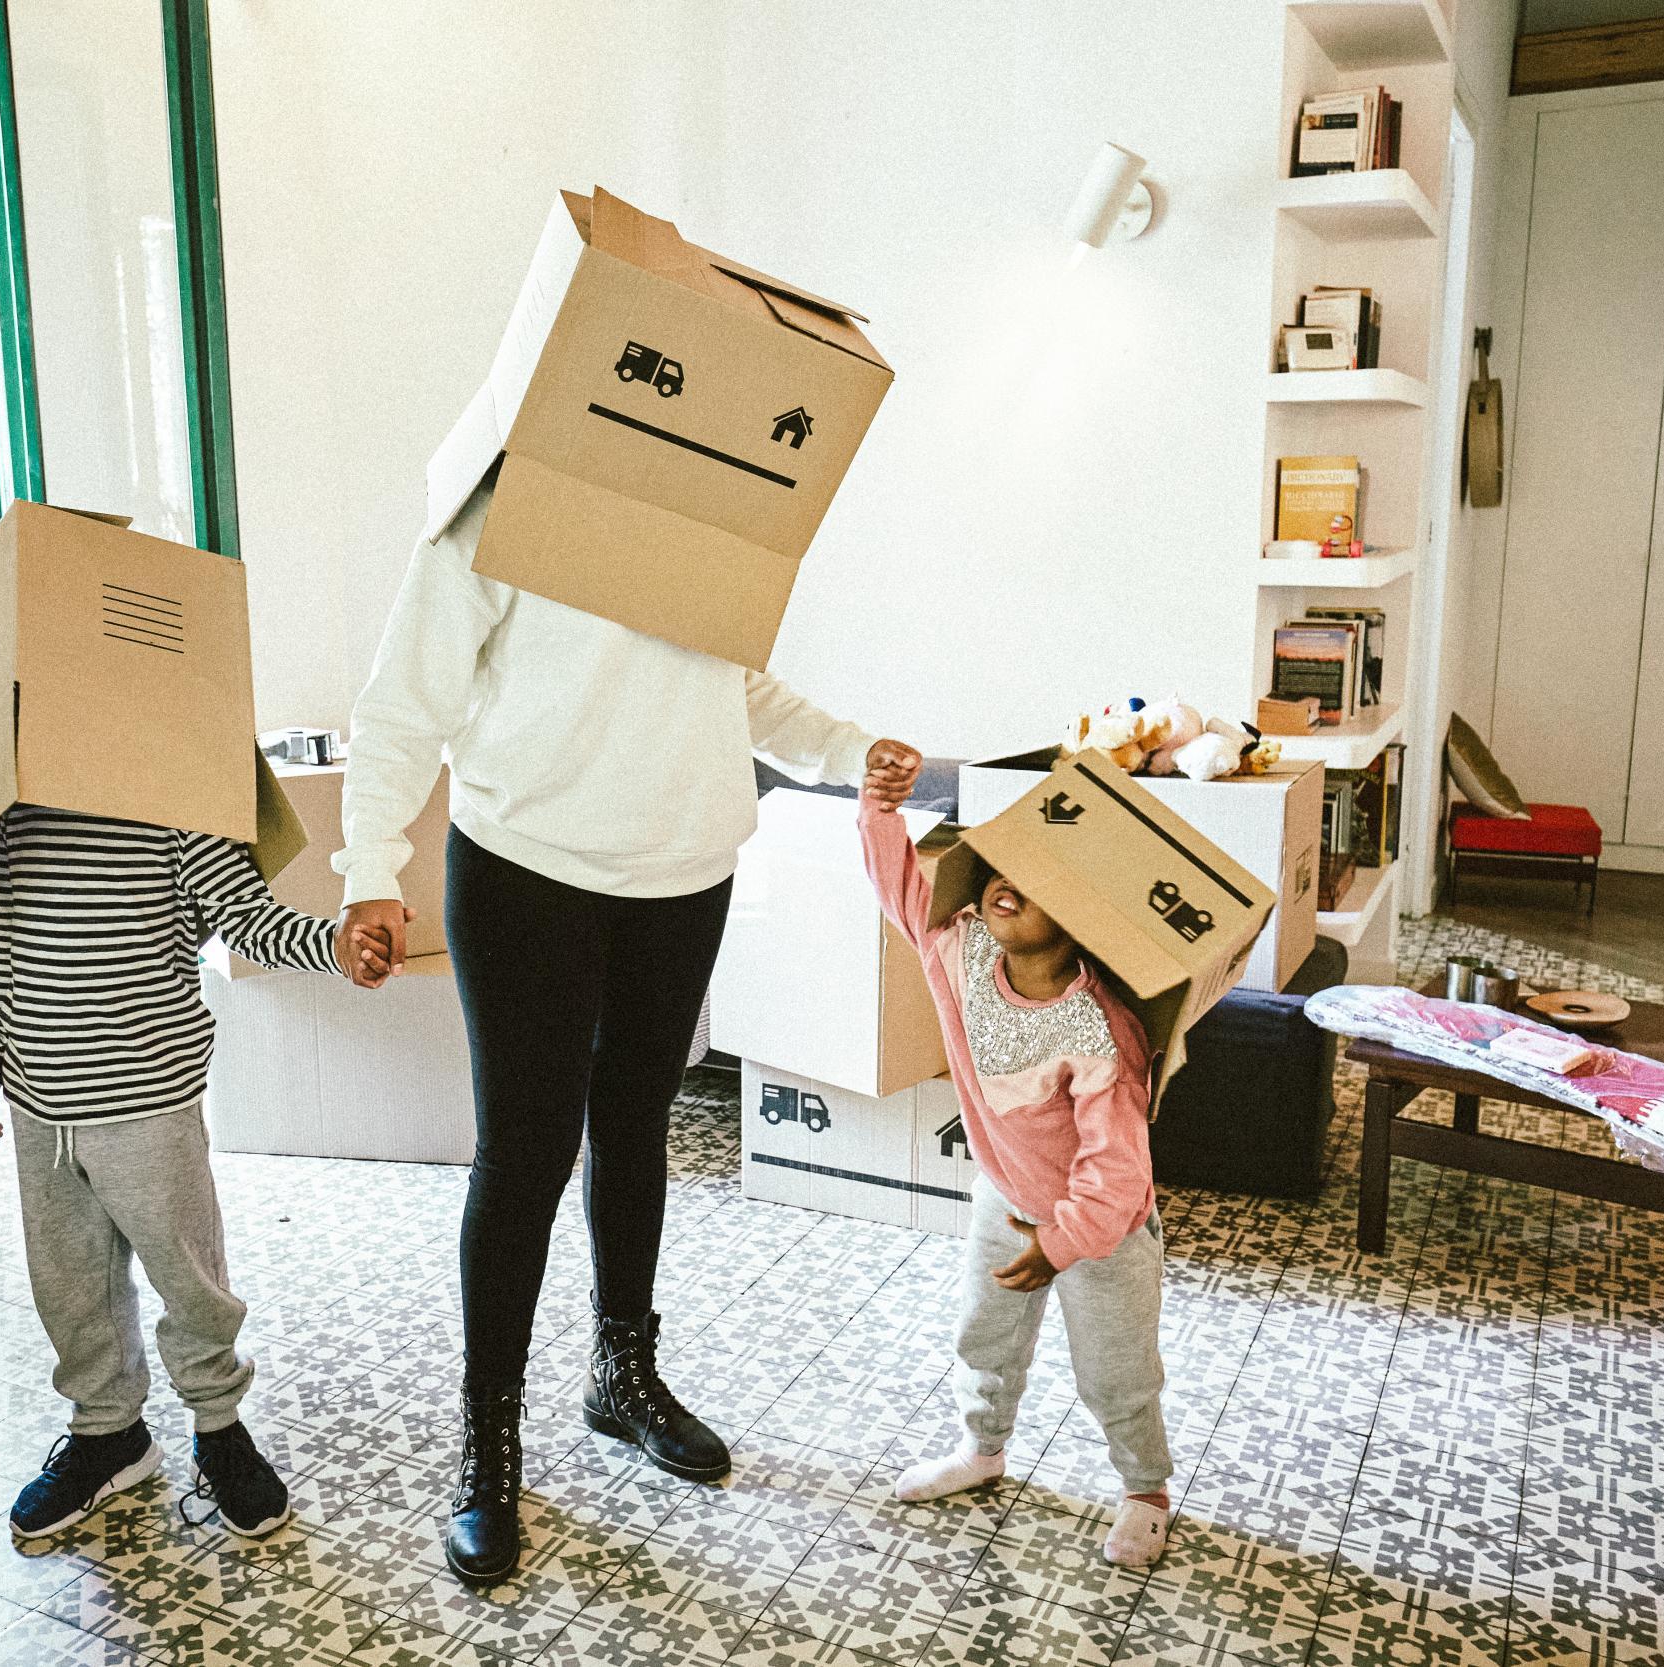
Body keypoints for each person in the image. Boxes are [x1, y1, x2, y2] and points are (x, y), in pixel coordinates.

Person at [336, 486, 921, 1583]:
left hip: (682, 870)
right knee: (524, 1154)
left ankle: (622, 1369)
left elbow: (727, 680)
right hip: (524, 864)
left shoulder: (710, 499)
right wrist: (371, 866)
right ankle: (490, 1437)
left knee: (636, 1120)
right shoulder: (500, 499)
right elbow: (403, 702)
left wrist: (850, 748)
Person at [0, 804, 398, 1541]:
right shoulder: (11, 817)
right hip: (41, 1106)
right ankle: (108, 1435)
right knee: (70, 1283)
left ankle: (218, 1427)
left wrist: (335, 944)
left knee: (189, 1276)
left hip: (148, 1102)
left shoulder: (175, 800)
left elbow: (249, 919)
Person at [856, 774, 1174, 1569]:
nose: (1007, 884)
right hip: (1005, 1194)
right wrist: (879, 807)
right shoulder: (959, 950)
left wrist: (1060, 1244)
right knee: (984, 1335)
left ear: (1083, 926)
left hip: (1102, 1229)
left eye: (1043, 885)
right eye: (1008, 865)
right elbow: (901, 889)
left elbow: (1117, 1176)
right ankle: (982, 1447)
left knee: (1116, 1374)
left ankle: (1146, 1489)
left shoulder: (1100, 1034)